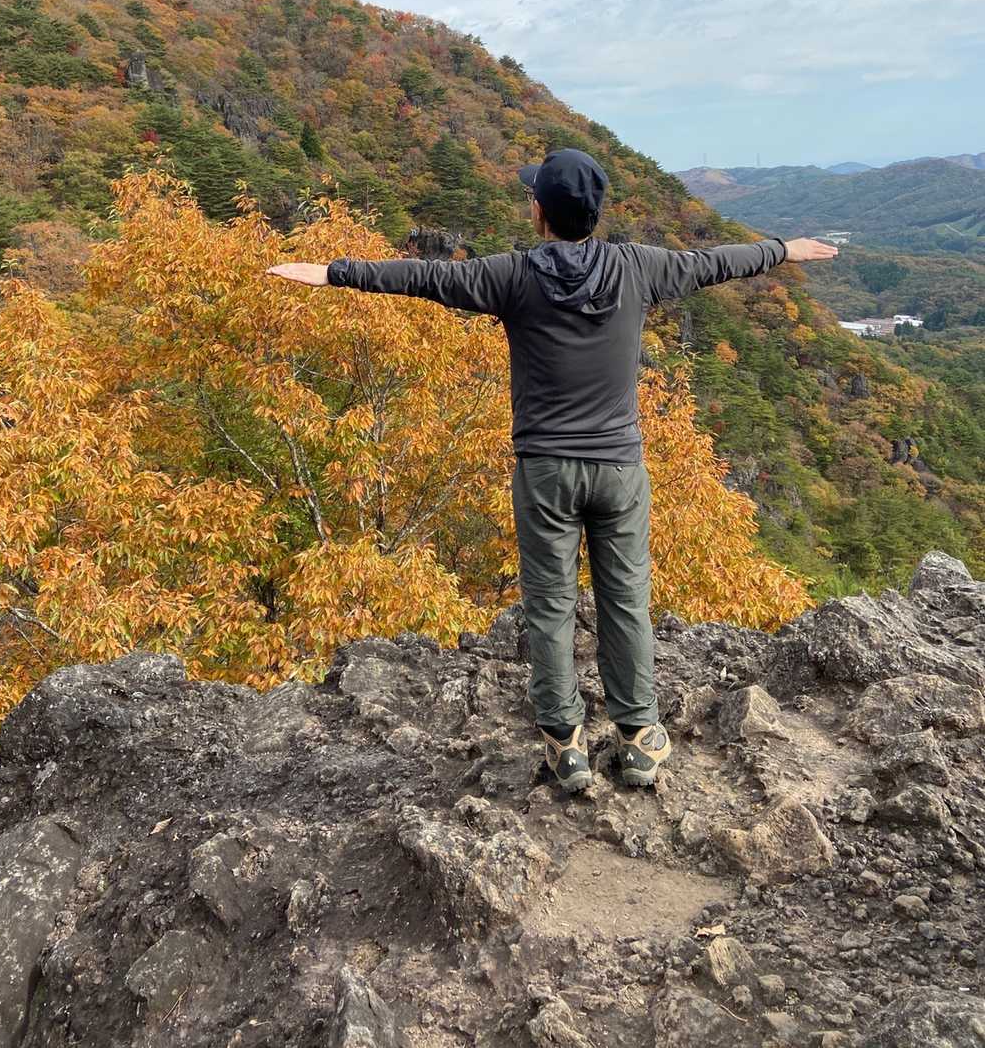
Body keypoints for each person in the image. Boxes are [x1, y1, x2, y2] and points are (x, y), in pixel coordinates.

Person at [267, 147, 838, 792]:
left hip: (545, 471)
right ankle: (638, 738)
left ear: (539, 212)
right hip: (618, 468)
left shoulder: (512, 276)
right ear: (595, 213)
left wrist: (333, 272)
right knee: (626, 600)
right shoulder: (638, 268)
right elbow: (714, 263)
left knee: (550, 605)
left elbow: (426, 277)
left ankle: (565, 744)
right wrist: (783, 249)